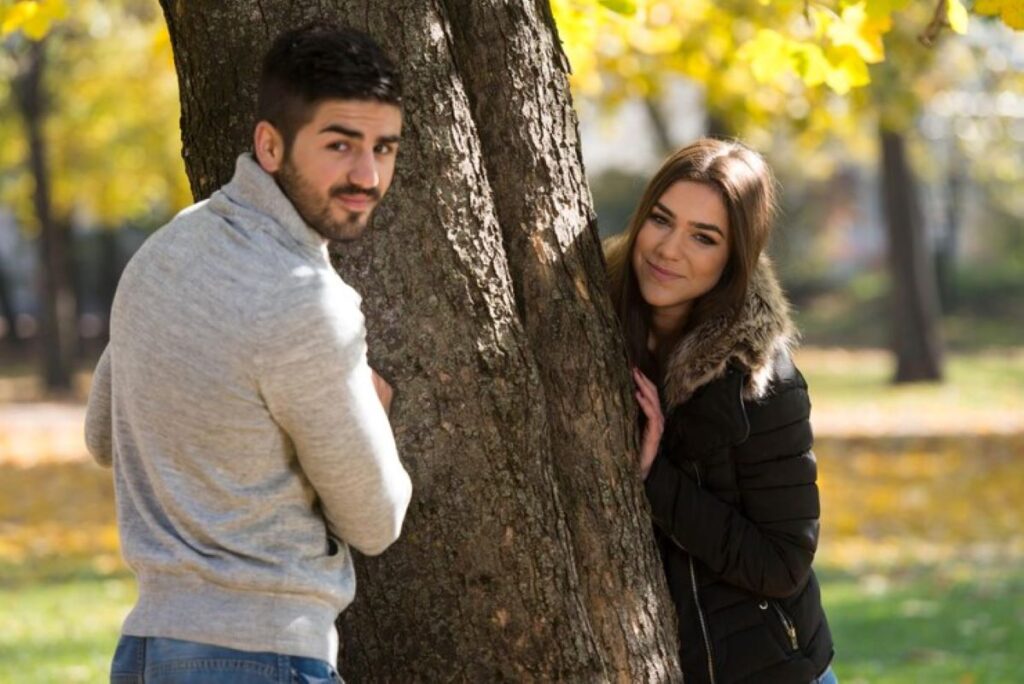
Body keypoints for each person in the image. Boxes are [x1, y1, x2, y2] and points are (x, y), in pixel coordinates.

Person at [85, 25, 412, 683]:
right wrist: (371, 411)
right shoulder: (306, 301)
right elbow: (376, 520)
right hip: (260, 657)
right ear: (270, 144)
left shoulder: (163, 253)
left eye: (384, 147)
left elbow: (102, 436)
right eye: (340, 145)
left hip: (147, 653)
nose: (367, 175)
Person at [605, 138, 836, 683]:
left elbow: (783, 564)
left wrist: (653, 477)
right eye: (661, 220)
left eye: (703, 237)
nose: (668, 249)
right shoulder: (596, 324)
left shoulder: (759, 381)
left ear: (733, 259)